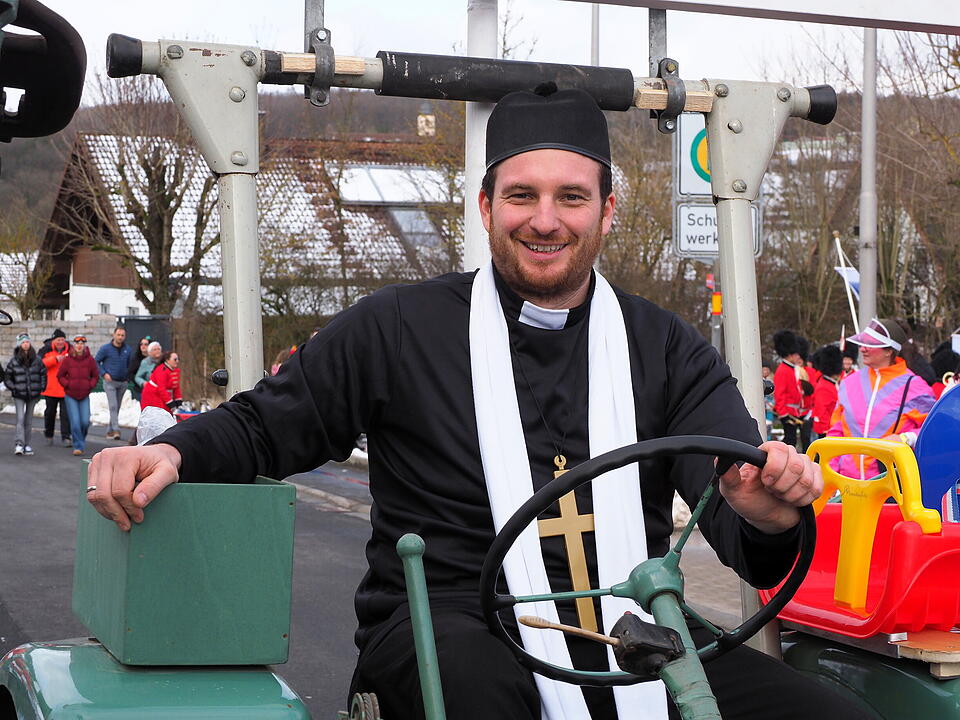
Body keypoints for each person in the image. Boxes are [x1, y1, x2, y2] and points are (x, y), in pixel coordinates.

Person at [85, 89, 867, 720]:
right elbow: (268, 424)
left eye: (571, 197)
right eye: (522, 195)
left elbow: (733, 512)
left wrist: (767, 515)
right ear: (486, 205)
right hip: (452, 617)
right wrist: (173, 450)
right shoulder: (399, 326)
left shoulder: (665, 346)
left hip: (632, 620)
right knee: (481, 697)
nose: (546, 219)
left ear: (607, 209)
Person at [827, 318, 936, 480]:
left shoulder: (915, 386)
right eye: (862, 343)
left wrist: (906, 438)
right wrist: (831, 473)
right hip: (846, 483)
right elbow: (836, 431)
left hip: (889, 483)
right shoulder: (849, 382)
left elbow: (932, 431)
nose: (862, 349)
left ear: (889, 351)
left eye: (870, 345)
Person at [58, 335, 100, 456]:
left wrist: (89, 385)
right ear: (74, 345)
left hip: (84, 394)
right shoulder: (68, 359)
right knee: (75, 422)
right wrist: (68, 384)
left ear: (84, 345)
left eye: (82, 343)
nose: (79, 345)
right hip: (71, 395)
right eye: (77, 343)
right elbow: (60, 375)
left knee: (85, 422)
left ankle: (80, 439)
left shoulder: (90, 360)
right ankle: (78, 445)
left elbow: (95, 376)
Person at [5, 333, 46, 455]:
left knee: (28, 420)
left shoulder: (37, 360)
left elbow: (43, 374)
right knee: (20, 419)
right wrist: (14, 388)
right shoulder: (14, 361)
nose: (26, 344)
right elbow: (7, 377)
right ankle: (19, 443)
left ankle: (27, 444)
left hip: (32, 394)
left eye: (27, 342)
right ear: (19, 344)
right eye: (23, 342)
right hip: (19, 394)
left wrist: (41, 387)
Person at [772, 330, 811, 452]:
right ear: (790, 354)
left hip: (794, 411)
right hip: (788, 413)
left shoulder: (791, 369)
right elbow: (780, 394)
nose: (798, 356)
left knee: (792, 441)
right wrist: (784, 414)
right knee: (790, 441)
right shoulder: (783, 370)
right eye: (795, 354)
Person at [94, 325, 132, 440]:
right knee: (113, 405)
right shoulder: (106, 348)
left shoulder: (128, 350)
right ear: (114, 335)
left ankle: (110, 430)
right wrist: (104, 373)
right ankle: (116, 430)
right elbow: (96, 361)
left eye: (122, 335)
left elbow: (130, 365)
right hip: (110, 381)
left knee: (117, 406)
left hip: (122, 382)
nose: (120, 337)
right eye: (118, 335)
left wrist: (128, 377)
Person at [38, 329, 71, 447]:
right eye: (58, 340)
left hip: (65, 388)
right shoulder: (46, 350)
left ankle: (66, 437)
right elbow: (39, 364)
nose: (60, 342)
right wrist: (55, 359)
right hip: (50, 388)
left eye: (62, 339)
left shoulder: (70, 350)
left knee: (66, 414)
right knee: (50, 413)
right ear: (54, 340)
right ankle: (49, 434)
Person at [811, 345, 842, 438]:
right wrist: (828, 430)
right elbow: (822, 412)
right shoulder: (824, 386)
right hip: (827, 430)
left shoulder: (831, 384)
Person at [128, 336, 151, 404]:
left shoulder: (154, 359)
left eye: (146, 344)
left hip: (153, 388)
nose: (143, 346)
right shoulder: (135, 358)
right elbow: (130, 373)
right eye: (141, 344)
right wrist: (139, 382)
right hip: (140, 389)